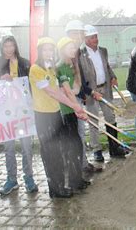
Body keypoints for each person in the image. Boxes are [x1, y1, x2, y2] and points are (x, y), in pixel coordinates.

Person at [29, 37, 88, 198]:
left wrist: (75, 107)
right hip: (43, 116)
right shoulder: (36, 69)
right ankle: (55, 189)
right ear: (40, 51)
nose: (48, 53)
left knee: (59, 151)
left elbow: (60, 90)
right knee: (50, 153)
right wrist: (75, 105)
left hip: (56, 114)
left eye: (50, 50)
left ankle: (61, 185)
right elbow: (51, 92)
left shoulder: (51, 68)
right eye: (45, 50)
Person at [0, 35, 38, 195]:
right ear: (2, 47)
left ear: (15, 47)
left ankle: (29, 178)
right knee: (9, 147)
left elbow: (32, 84)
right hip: (4, 114)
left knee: (27, 147)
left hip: (24, 112)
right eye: (5, 46)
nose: (8, 49)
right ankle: (11, 179)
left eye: (11, 46)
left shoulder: (25, 63)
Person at [78, 25, 127, 161]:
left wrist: (113, 76)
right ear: (85, 39)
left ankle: (114, 147)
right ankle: (97, 150)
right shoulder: (80, 54)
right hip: (91, 92)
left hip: (105, 89)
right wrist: (87, 92)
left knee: (110, 118)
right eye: (92, 37)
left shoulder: (103, 51)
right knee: (93, 121)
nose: (95, 39)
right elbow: (80, 75)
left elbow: (107, 66)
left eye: (96, 36)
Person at [65, 20, 100, 174]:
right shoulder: (66, 53)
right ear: (69, 35)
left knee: (80, 133)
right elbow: (64, 80)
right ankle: (76, 166)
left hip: (77, 97)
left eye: (81, 34)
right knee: (73, 135)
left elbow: (80, 78)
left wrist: (89, 92)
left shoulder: (78, 52)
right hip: (67, 101)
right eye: (76, 33)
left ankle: (82, 163)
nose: (79, 36)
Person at [56, 37, 92, 188]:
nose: (73, 50)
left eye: (73, 47)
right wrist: (77, 106)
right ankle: (73, 180)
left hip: (73, 106)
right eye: (69, 47)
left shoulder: (72, 64)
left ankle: (77, 178)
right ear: (62, 50)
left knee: (76, 144)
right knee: (73, 144)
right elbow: (67, 90)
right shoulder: (61, 66)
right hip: (66, 109)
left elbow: (76, 88)